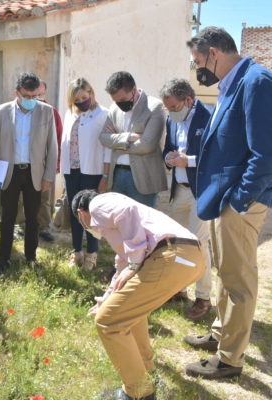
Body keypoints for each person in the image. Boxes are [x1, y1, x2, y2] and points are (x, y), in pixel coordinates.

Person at [183, 26, 272, 380]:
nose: (198, 69)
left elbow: (265, 154)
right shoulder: (233, 83)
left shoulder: (257, 82)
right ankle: (221, 333)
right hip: (223, 200)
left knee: (238, 282)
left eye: (198, 61)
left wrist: (238, 201)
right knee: (226, 274)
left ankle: (229, 359)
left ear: (214, 53)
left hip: (240, 203)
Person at [72, 189, 205, 400]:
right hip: (189, 257)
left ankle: (138, 392)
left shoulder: (98, 204)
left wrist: (134, 263)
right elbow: (123, 268)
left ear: (81, 212)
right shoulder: (123, 230)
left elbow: (128, 211)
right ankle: (146, 371)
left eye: (81, 221)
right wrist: (107, 299)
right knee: (128, 311)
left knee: (108, 321)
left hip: (171, 256)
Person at [0, 72, 57, 274]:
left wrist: (49, 176)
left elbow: (53, 146)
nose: (31, 100)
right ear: (17, 93)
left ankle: (31, 258)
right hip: (9, 173)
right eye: (27, 96)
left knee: (33, 218)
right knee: (8, 217)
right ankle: (3, 260)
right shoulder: (2, 111)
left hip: (35, 173)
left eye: (35, 96)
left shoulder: (46, 112)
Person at [159, 78, 213, 320]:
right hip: (178, 189)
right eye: (167, 109)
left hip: (200, 191)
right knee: (179, 242)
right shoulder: (173, 119)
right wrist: (169, 158)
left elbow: (215, 156)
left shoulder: (209, 116)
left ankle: (203, 298)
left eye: (172, 107)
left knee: (199, 245)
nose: (170, 113)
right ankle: (180, 290)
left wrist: (188, 161)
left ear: (188, 100)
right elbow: (168, 147)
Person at [60, 77, 111, 270]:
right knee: (75, 212)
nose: (82, 101)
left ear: (91, 92)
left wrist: (105, 175)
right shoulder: (70, 114)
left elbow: (108, 148)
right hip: (71, 170)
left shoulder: (103, 114)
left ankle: (92, 254)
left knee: (91, 214)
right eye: (77, 99)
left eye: (85, 96)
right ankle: (77, 253)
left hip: (92, 170)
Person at [99, 71, 167, 208]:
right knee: (120, 224)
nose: (119, 104)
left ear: (134, 89)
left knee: (141, 226)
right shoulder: (114, 108)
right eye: (116, 101)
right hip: (117, 175)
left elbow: (147, 145)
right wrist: (129, 137)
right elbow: (103, 138)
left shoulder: (154, 107)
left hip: (142, 178)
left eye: (123, 100)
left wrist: (117, 145)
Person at [15, 79, 63, 242]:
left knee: (43, 199)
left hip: (42, 165)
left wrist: (55, 164)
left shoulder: (50, 112)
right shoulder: (19, 110)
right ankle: (21, 226)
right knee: (20, 198)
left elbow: (57, 140)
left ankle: (43, 227)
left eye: (39, 94)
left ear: (44, 93)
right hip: (21, 164)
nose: (36, 98)